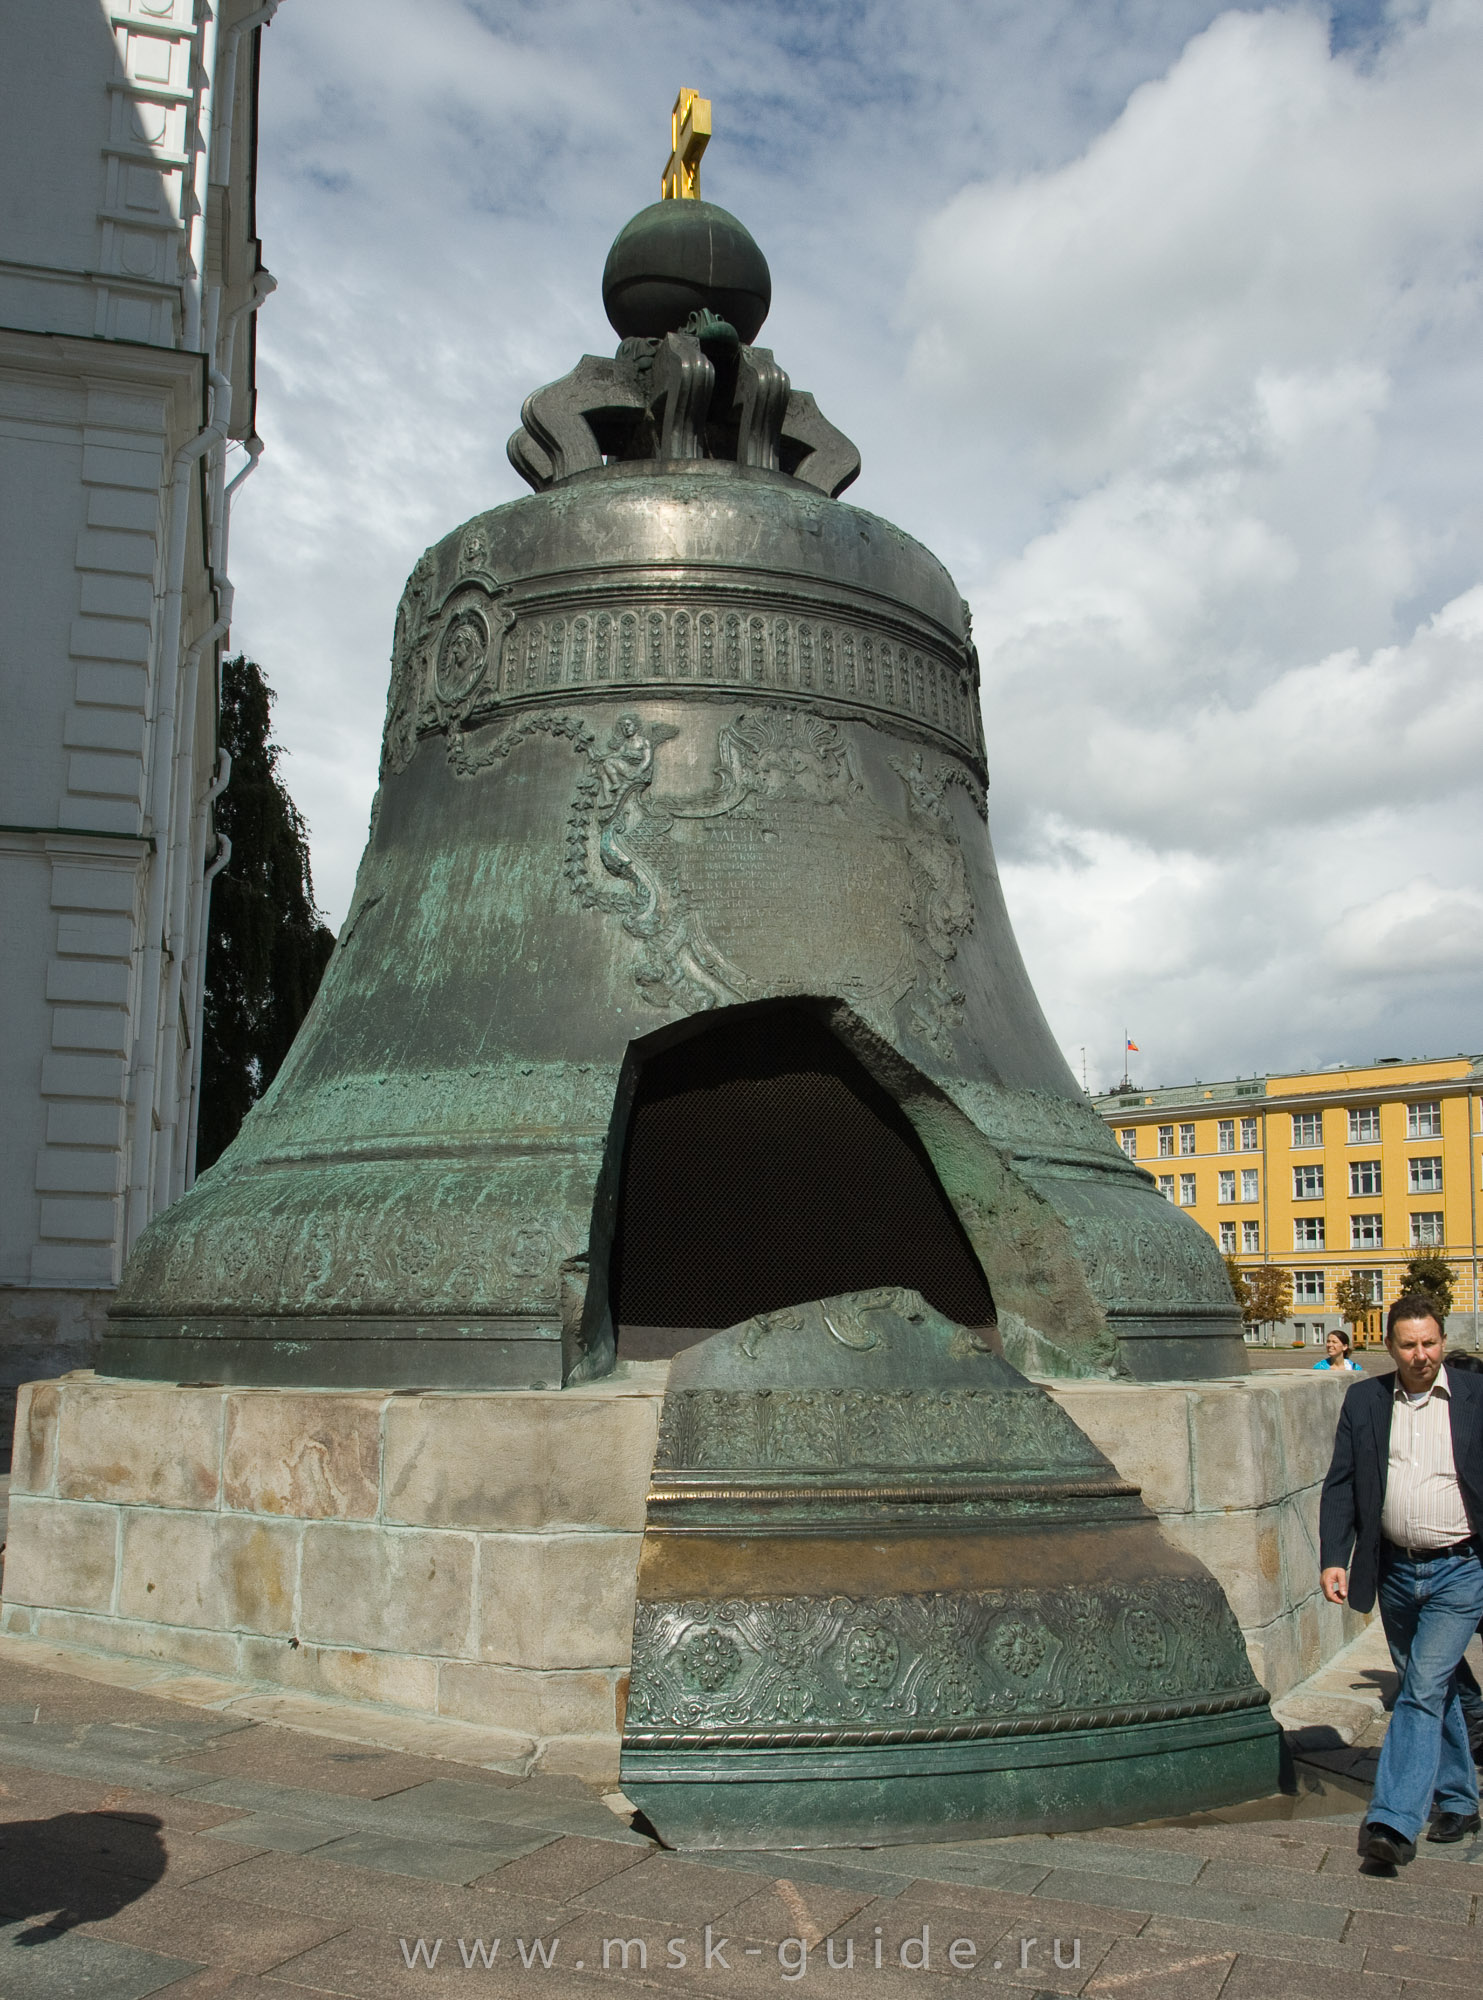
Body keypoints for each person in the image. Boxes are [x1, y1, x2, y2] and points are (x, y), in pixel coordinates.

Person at [1319, 1293, 1483, 1864]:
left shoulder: (1474, 1396)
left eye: (1431, 1342)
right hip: (1393, 1572)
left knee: (1419, 1690)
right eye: (1409, 1345)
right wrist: (1334, 1556)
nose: (1421, 1355)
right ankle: (1460, 1799)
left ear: (1443, 1341)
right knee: (1429, 1688)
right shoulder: (1365, 1400)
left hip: (1460, 1569)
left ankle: (1392, 1821)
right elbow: (1340, 1483)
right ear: (1389, 1347)